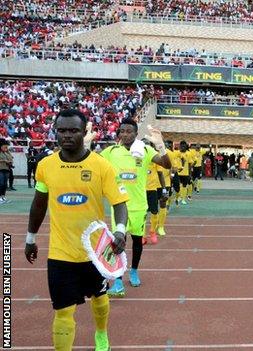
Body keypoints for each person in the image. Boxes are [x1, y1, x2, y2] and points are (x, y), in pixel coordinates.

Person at [24, 109, 129, 351]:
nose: (67, 135)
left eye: (73, 130)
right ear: (55, 132)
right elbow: (39, 204)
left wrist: (121, 231)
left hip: (95, 252)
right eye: (62, 131)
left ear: (84, 133)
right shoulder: (46, 166)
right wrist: (30, 238)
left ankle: (101, 335)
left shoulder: (101, 166)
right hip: (60, 253)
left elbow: (119, 202)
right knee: (63, 311)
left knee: (100, 299)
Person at [100, 118, 171, 297]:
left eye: (129, 131)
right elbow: (93, 162)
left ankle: (134, 270)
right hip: (118, 205)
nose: (125, 134)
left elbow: (167, 165)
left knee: (137, 242)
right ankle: (117, 280)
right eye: (122, 131)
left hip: (139, 206)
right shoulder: (111, 151)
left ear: (136, 133)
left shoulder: (145, 150)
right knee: (118, 241)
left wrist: (161, 146)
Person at [0, 140, 13, 204]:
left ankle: (3, 197)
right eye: (5, 147)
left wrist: (8, 152)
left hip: (6, 169)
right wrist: (4, 161)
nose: (6, 148)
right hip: (0, 169)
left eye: (6, 147)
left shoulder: (7, 153)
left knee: (5, 184)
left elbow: (11, 158)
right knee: (1, 183)